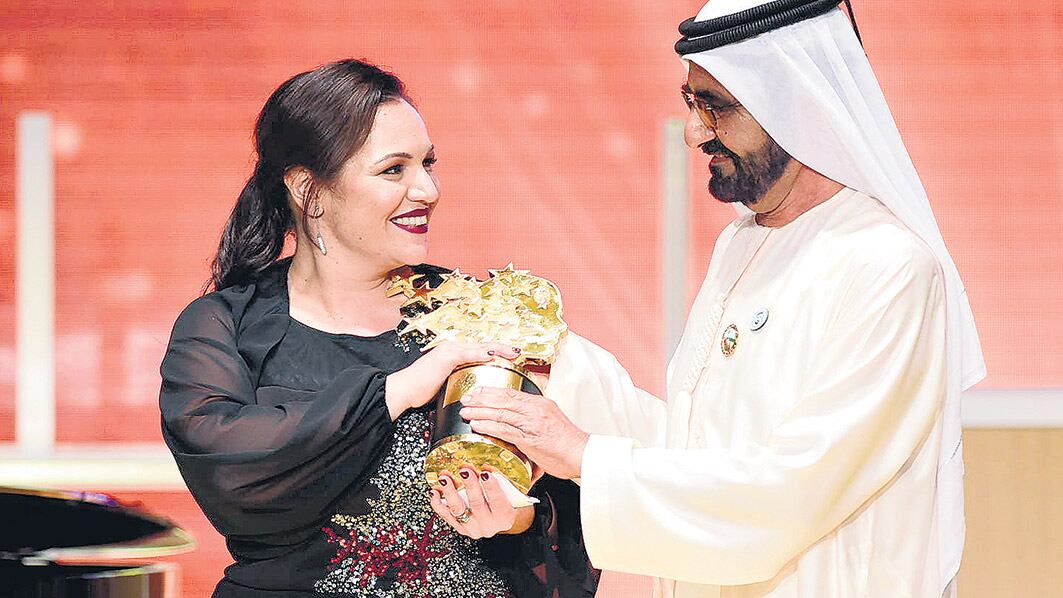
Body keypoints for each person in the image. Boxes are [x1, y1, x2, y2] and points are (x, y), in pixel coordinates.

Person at [456, 1, 986, 597]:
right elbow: (694, 452)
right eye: (691, 103)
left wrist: (585, 456)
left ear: (799, 102)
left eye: (717, 107)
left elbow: (786, 495)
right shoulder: (743, 242)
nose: (694, 132)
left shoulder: (888, 267)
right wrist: (554, 360)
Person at [159, 59, 598, 598]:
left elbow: (565, 495)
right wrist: (399, 390)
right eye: (394, 169)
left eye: (428, 164)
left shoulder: (479, 312)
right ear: (308, 190)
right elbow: (231, 470)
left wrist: (514, 518)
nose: (427, 190)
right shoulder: (225, 326)